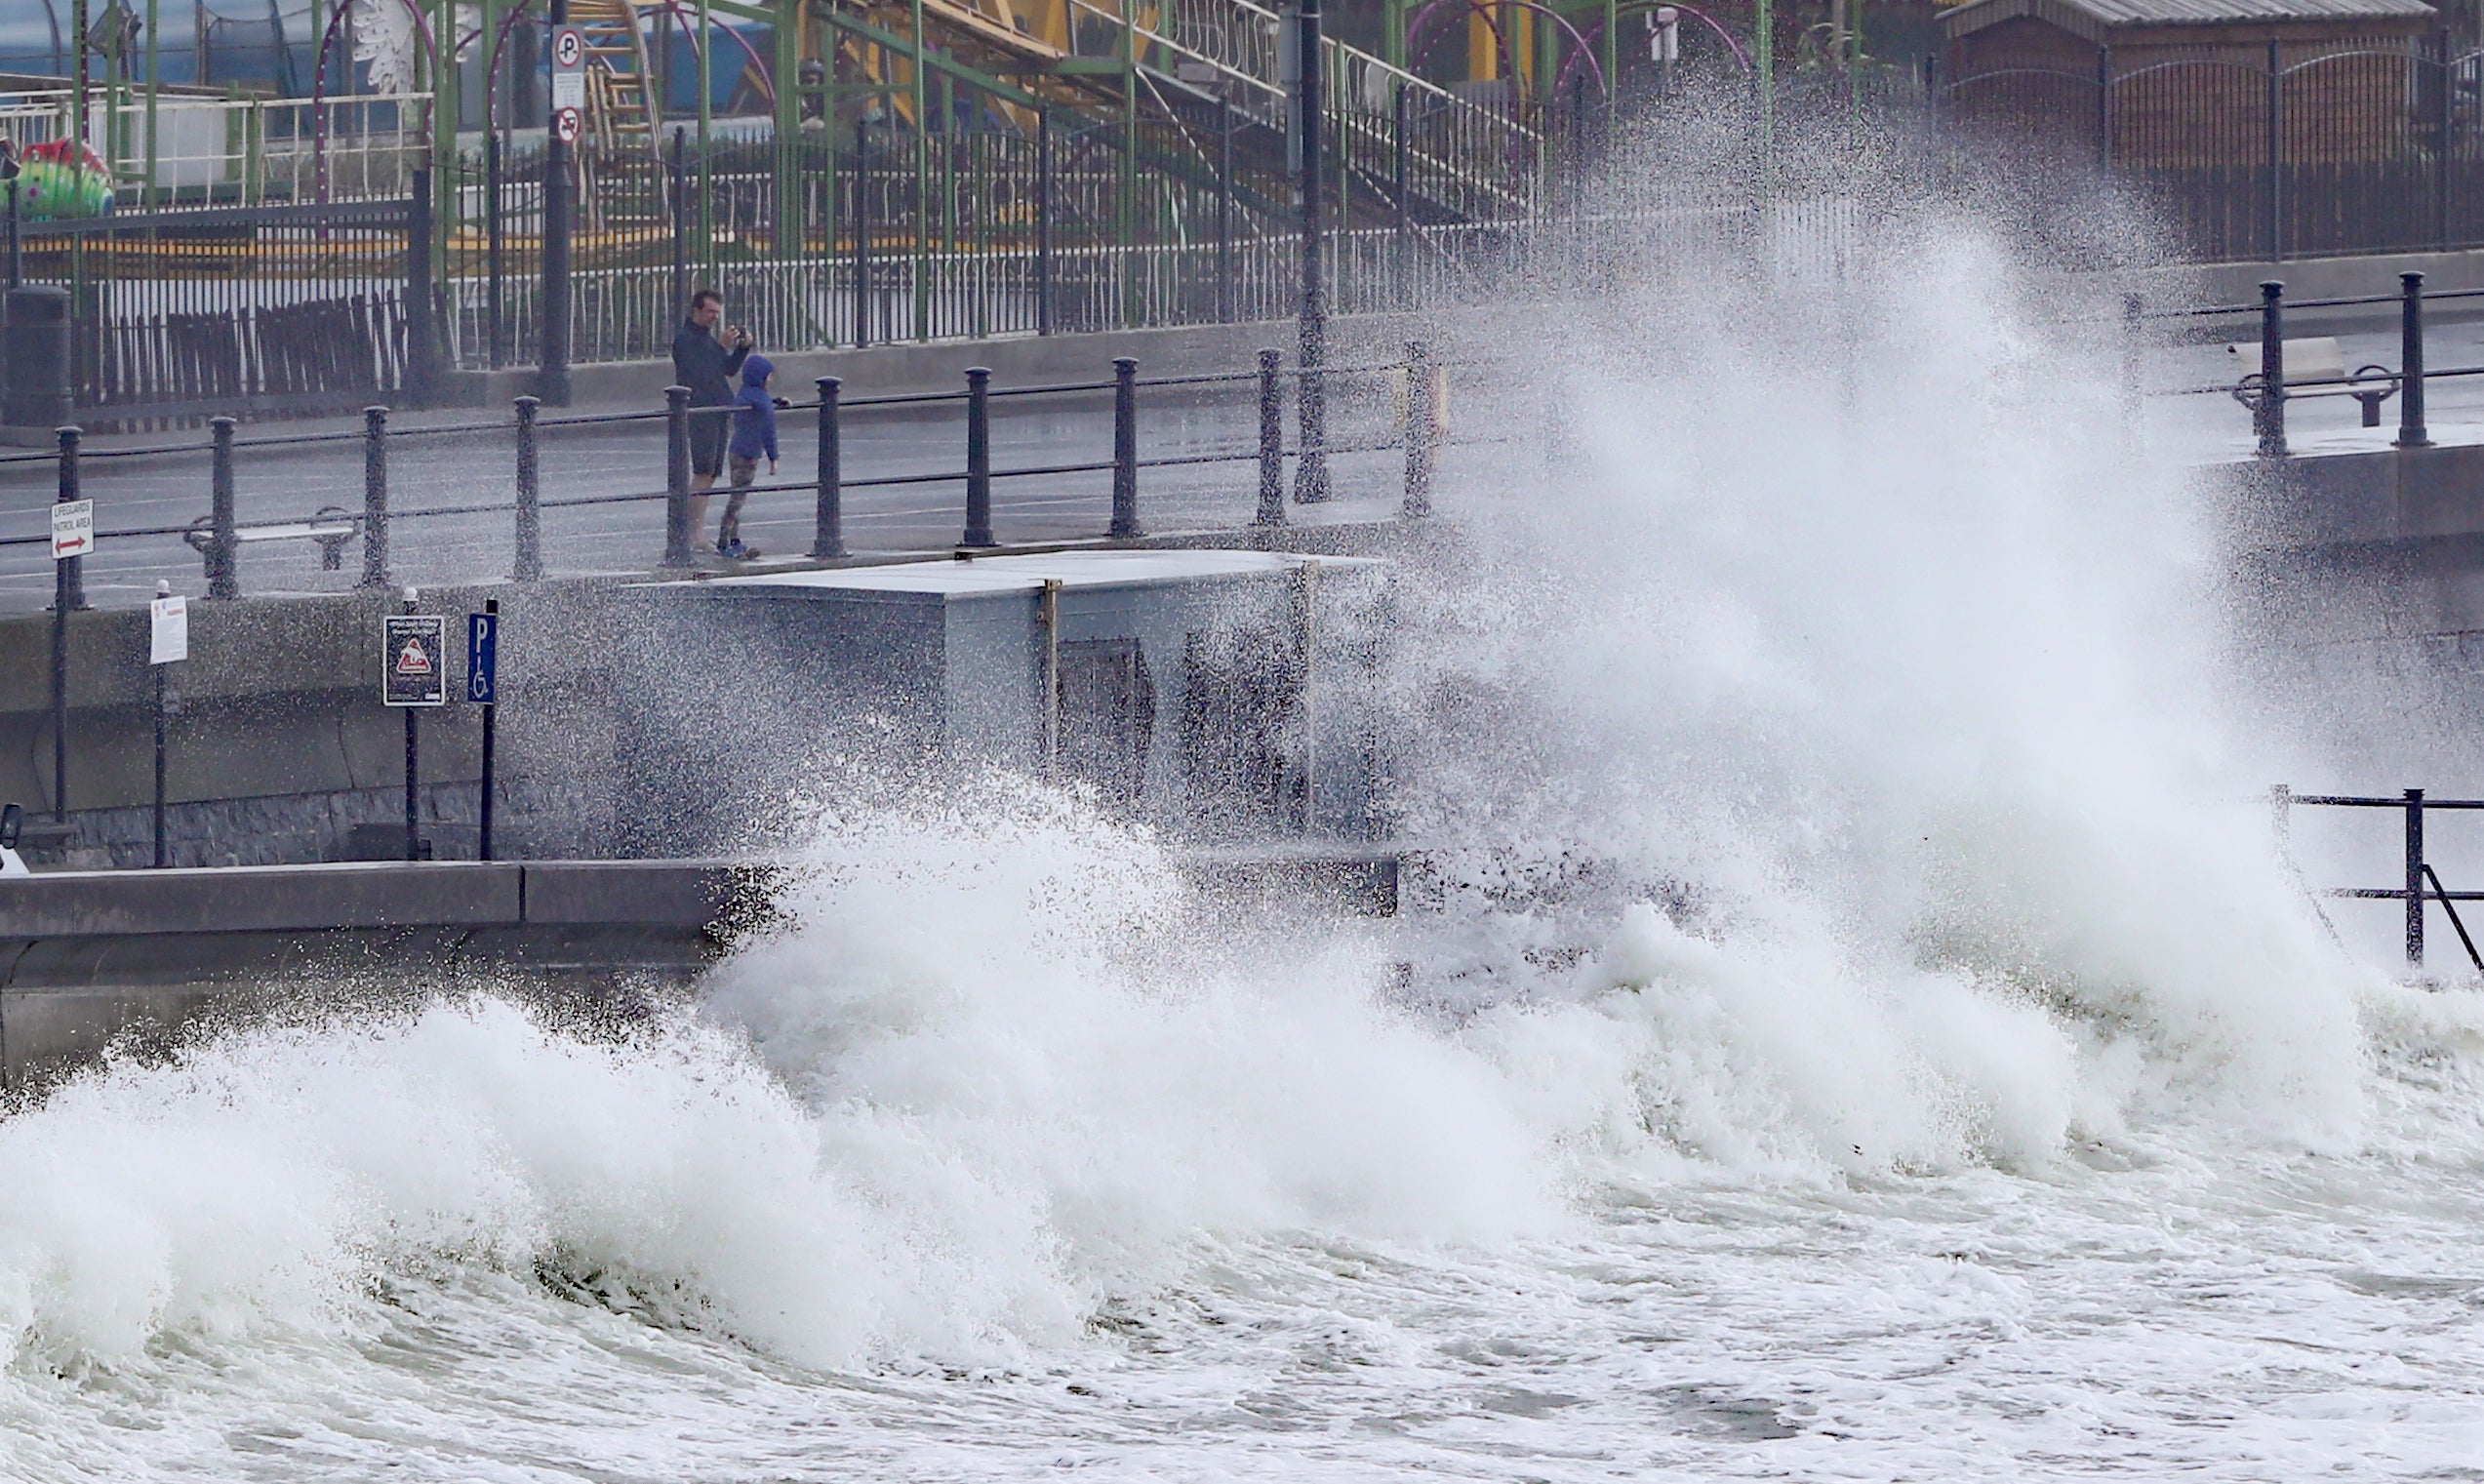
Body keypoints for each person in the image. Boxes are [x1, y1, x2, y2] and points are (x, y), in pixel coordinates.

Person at [669, 287, 747, 553]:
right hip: (701, 410)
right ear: (697, 310)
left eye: (718, 312)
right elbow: (698, 372)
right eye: (710, 312)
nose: (715, 317)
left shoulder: (707, 340)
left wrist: (741, 349)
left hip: (718, 409)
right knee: (702, 472)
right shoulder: (685, 339)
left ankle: (697, 532)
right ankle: (693, 533)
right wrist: (720, 346)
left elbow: (727, 369)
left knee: (711, 473)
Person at [720, 354, 786, 561]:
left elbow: (758, 404)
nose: (771, 380)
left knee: (737, 495)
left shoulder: (746, 393)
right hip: (748, 455)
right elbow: (768, 428)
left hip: (736, 450)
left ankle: (734, 539)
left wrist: (775, 401)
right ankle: (724, 541)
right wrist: (773, 457)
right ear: (761, 378)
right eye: (768, 377)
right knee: (737, 499)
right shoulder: (761, 400)